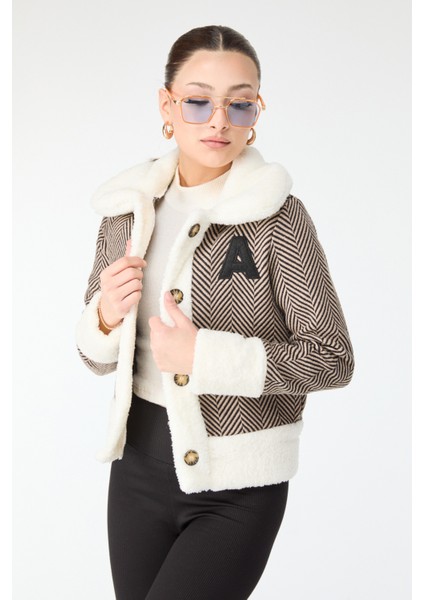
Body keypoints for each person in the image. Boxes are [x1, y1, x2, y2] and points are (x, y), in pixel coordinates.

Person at [75, 24, 355, 600]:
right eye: (198, 102)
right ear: (167, 106)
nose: (219, 121)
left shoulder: (277, 216)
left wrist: (205, 356)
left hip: (239, 486)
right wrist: (104, 317)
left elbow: (333, 358)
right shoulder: (128, 212)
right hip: (137, 469)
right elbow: (96, 358)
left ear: (257, 112)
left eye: (239, 104)